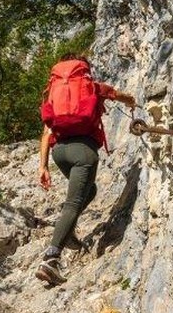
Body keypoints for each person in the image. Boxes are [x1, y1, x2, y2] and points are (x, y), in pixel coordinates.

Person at [35, 53, 136, 285]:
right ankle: (51, 258)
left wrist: (43, 166)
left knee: (88, 192)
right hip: (84, 153)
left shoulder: (54, 94)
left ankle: (66, 232)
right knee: (73, 203)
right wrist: (131, 101)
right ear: (83, 69)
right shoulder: (91, 86)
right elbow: (119, 95)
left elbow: (45, 133)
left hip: (60, 152)